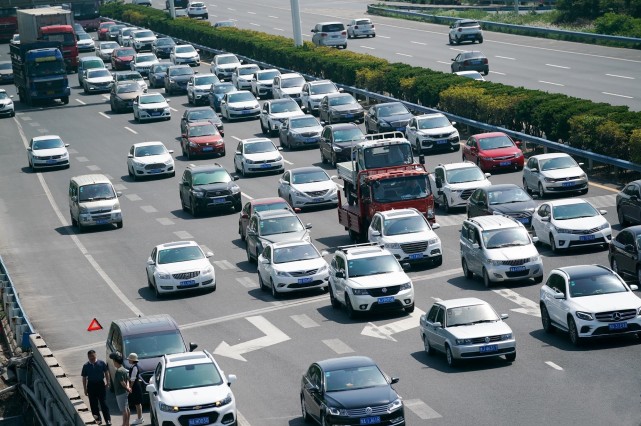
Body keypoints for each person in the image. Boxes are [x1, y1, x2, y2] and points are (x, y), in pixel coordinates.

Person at [81, 350, 111, 426]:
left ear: (95, 355)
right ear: (88, 357)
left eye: (93, 356)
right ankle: (98, 419)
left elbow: (106, 372)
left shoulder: (101, 363)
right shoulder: (86, 366)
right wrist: (85, 389)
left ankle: (108, 420)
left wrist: (108, 382)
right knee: (93, 404)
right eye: (90, 357)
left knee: (103, 403)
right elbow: (84, 378)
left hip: (100, 384)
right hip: (91, 386)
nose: (92, 358)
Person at [109, 352, 131, 426]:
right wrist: (128, 388)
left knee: (124, 410)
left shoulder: (119, 371)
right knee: (127, 409)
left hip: (120, 393)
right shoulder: (123, 369)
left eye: (114, 361)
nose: (113, 363)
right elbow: (127, 380)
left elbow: (122, 382)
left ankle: (124, 424)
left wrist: (127, 388)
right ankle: (127, 424)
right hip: (124, 392)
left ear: (115, 361)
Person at [127, 353, 144, 425]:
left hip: (135, 386)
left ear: (132, 360)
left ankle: (139, 418)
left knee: (137, 403)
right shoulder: (132, 366)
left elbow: (133, 379)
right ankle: (140, 417)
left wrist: (130, 387)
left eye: (129, 359)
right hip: (136, 386)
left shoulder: (134, 368)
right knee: (137, 403)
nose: (128, 360)